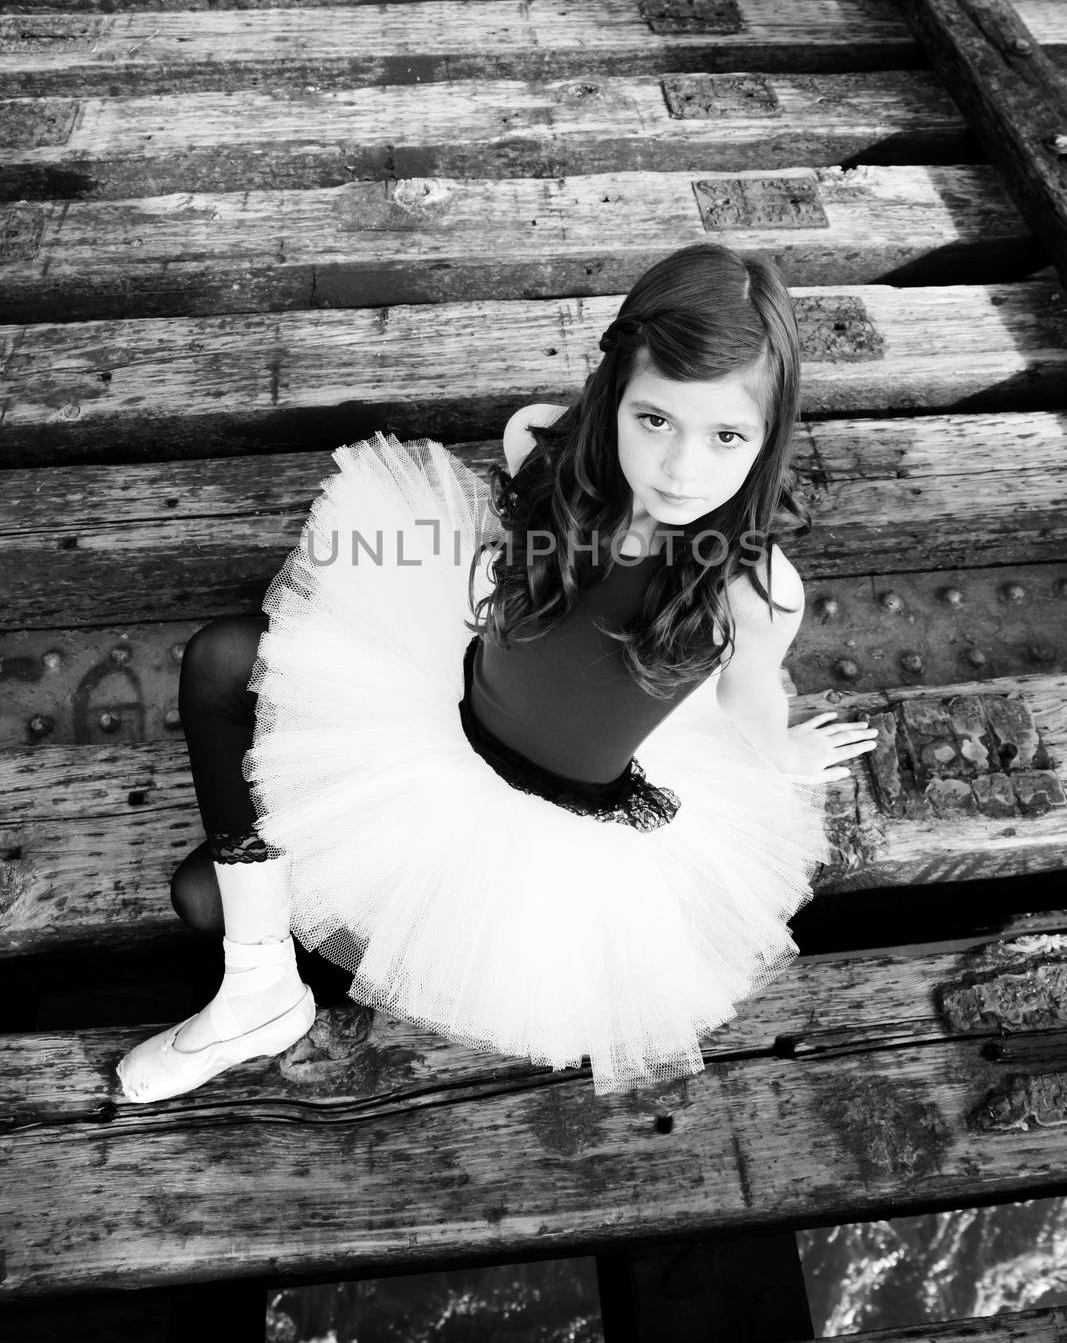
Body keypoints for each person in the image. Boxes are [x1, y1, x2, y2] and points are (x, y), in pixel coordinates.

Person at [117, 242, 878, 1104]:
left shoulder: (753, 589)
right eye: (654, 420)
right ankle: (259, 990)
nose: (681, 469)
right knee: (222, 657)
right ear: (614, 394)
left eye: (726, 436)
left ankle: (287, 978)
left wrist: (781, 758)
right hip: (434, 730)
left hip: (536, 833)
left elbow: (748, 707)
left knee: (200, 898)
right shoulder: (539, 446)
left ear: (767, 435)